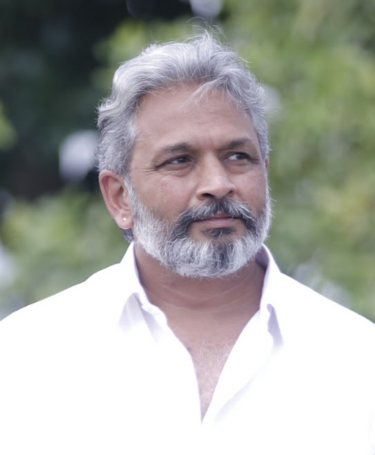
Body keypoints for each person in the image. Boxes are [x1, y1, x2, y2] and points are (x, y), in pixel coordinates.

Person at [0, 32, 374, 455]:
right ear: (120, 197)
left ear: (264, 172)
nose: (217, 184)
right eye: (179, 161)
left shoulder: (357, 358)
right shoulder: (26, 356)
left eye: (238, 157)